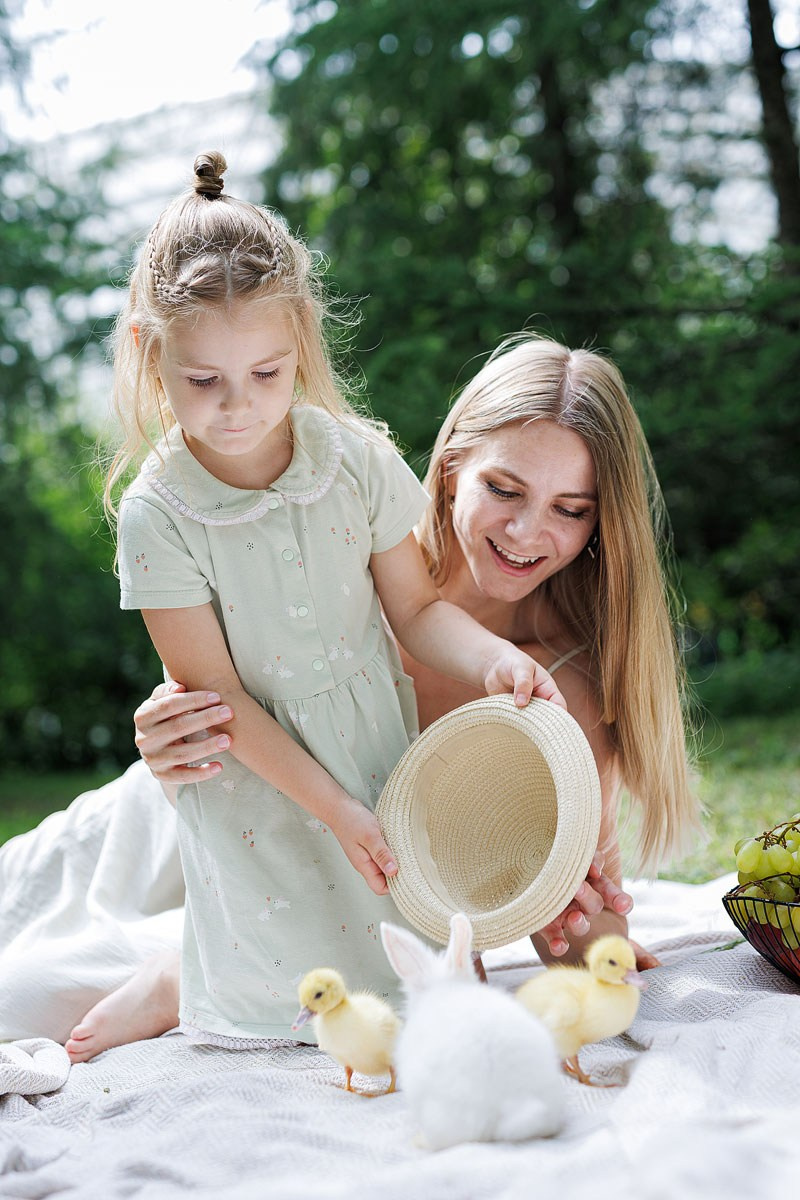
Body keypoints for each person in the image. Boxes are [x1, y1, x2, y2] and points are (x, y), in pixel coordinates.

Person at [63, 329, 700, 1063]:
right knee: (42, 951)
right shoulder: (352, 565)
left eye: (572, 508)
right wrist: (170, 740)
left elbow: (587, 946)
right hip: (211, 817)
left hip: (341, 885)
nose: (529, 532)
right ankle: (190, 965)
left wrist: (575, 912)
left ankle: (196, 967)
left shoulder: (566, 686)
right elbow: (229, 692)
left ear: (600, 522)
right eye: (504, 489)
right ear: (454, 464)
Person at [90, 150, 565, 1054]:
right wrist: (334, 809)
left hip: (373, 742)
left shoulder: (355, 462)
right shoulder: (159, 514)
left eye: (266, 374)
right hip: (256, 770)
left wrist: (494, 660)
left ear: (301, 341)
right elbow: (217, 695)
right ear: (155, 358)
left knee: (410, 961)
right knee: (287, 989)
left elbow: (418, 615)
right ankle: (179, 989)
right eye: (204, 382)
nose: (238, 407)